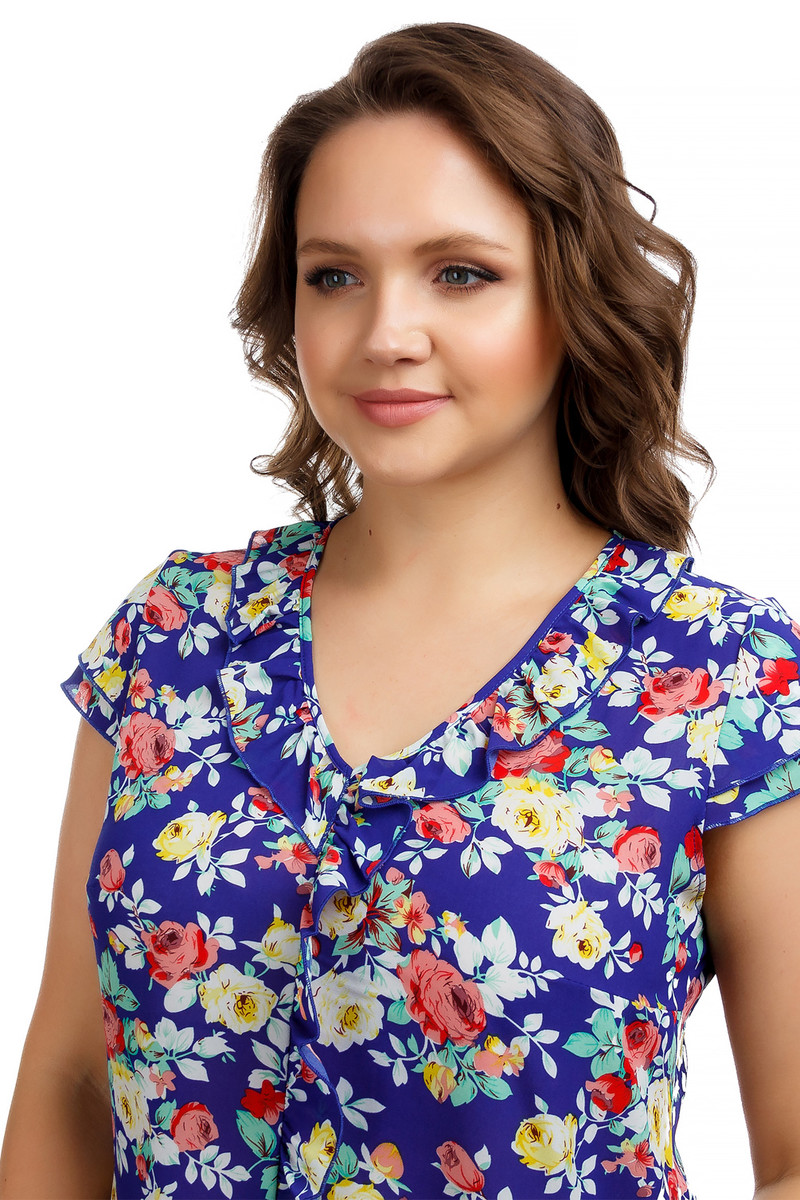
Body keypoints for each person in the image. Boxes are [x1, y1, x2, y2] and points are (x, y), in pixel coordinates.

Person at [1, 19, 799, 1200]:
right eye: (334, 276)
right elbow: (69, 1080)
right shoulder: (174, 637)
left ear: (570, 293)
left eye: (459, 273)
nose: (385, 335)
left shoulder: (721, 675)